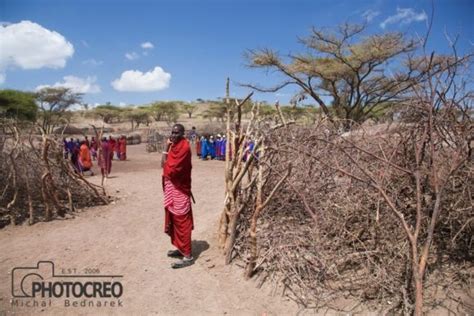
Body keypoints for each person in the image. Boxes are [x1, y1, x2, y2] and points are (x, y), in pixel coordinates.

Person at [162, 123, 194, 269]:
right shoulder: (174, 146)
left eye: (177, 133)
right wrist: (166, 148)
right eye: (172, 132)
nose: (173, 135)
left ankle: (188, 256)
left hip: (180, 189)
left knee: (182, 221)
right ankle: (180, 249)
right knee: (175, 220)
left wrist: (165, 151)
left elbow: (170, 169)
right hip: (172, 188)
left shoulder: (184, 148)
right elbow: (164, 165)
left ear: (182, 134)